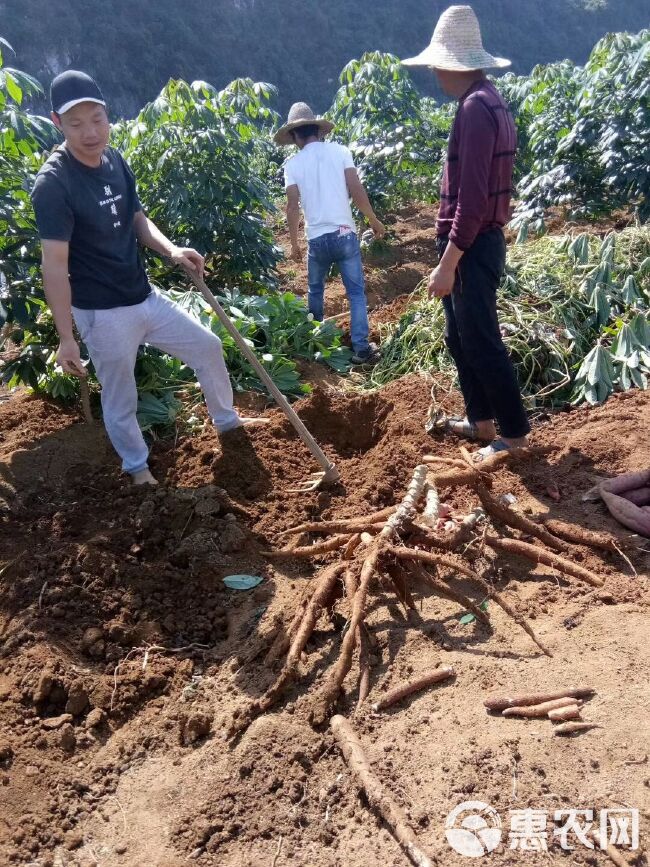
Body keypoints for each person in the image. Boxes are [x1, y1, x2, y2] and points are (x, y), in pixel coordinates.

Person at [31, 70, 266, 486]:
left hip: (144, 297)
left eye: (97, 119)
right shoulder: (54, 183)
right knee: (122, 396)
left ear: (107, 115)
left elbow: (138, 219)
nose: (90, 132)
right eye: (76, 123)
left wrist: (171, 250)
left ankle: (227, 423)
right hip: (103, 314)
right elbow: (54, 264)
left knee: (208, 347)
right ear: (56, 122)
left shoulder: (115, 160)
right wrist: (66, 336)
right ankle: (137, 468)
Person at [403, 5, 530, 460]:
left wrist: (446, 264)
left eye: (439, 64)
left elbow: (472, 203)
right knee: (460, 339)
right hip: (476, 244)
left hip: (472, 246)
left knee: (481, 340)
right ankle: (482, 424)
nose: (436, 73)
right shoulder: (485, 100)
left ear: (453, 64)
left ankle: (512, 437)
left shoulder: (476, 108)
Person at [275, 102, 386, 365]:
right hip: (345, 234)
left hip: (317, 239)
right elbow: (356, 190)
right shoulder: (341, 152)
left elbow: (292, 207)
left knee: (315, 291)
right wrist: (373, 220)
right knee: (356, 293)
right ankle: (361, 348)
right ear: (319, 131)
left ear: (294, 137)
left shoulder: (292, 165)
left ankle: (316, 343)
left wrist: (294, 243)